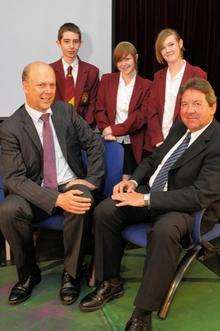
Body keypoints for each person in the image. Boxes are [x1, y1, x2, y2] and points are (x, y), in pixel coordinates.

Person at [79, 78, 220, 331]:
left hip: (188, 208)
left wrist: (145, 199)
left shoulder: (217, 141)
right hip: (152, 194)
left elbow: (199, 195)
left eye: (197, 104)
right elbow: (154, 158)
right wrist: (132, 182)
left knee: (164, 231)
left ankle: (142, 312)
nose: (190, 110)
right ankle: (110, 281)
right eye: (185, 104)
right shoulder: (181, 127)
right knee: (106, 210)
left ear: (213, 107)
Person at [0, 61, 105, 306]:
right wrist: (56, 199)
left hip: (70, 181)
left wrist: (91, 181)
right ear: (25, 87)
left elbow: (94, 144)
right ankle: (28, 274)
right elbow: (14, 178)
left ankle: (71, 274)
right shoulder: (11, 127)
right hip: (35, 191)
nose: (48, 91)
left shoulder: (65, 111)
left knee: (80, 199)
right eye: (41, 85)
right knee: (8, 209)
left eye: (52, 85)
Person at [144, 28, 207, 153]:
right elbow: (151, 111)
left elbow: (200, 113)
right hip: (158, 144)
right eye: (163, 47)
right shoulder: (158, 76)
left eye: (171, 44)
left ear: (180, 43)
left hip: (185, 146)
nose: (167, 50)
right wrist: (158, 141)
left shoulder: (197, 74)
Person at [95, 41, 151, 179]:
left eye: (127, 59)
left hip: (134, 143)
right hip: (109, 141)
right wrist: (105, 129)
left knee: (127, 184)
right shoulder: (107, 80)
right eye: (119, 60)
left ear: (136, 58)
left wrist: (114, 129)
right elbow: (99, 109)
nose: (124, 64)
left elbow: (140, 117)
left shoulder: (147, 85)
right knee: (109, 182)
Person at [50, 22, 99, 127]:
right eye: (67, 41)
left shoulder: (92, 71)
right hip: (55, 128)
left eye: (75, 41)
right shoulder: (49, 70)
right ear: (59, 43)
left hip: (82, 130)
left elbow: (93, 103)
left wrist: (84, 127)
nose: (72, 46)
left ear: (80, 43)